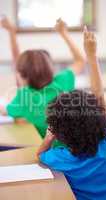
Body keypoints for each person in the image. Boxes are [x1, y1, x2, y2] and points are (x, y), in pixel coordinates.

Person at [38, 28, 106, 200]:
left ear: (59, 132)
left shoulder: (60, 158)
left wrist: (48, 139)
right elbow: (99, 99)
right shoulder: (105, 142)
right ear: (97, 121)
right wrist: (92, 55)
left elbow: (40, 156)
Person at [0, 19, 85, 147]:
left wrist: (12, 33)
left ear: (22, 75)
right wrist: (64, 33)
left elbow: (5, 111)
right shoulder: (61, 82)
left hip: (46, 154)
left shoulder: (23, 96)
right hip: (71, 149)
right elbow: (80, 60)